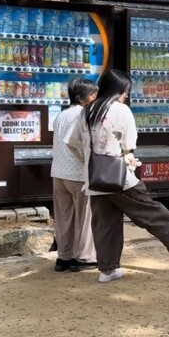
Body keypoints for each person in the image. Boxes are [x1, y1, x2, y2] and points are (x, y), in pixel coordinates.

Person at [67, 69, 169, 283]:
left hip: (94, 179)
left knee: (105, 224)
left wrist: (89, 162)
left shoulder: (86, 111)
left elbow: (72, 143)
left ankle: (107, 270)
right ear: (117, 90)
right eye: (125, 92)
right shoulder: (121, 110)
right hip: (119, 177)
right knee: (153, 212)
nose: (126, 96)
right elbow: (129, 144)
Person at [50, 78, 99, 273]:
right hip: (78, 173)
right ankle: (85, 257)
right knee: (85, 217)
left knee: (63, 217)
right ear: (84, 98)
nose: (96, 98)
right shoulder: (85, 114)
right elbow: (81, 144)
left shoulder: (61, 115)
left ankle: (64, 257)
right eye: (94, 95)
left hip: (58, 173)